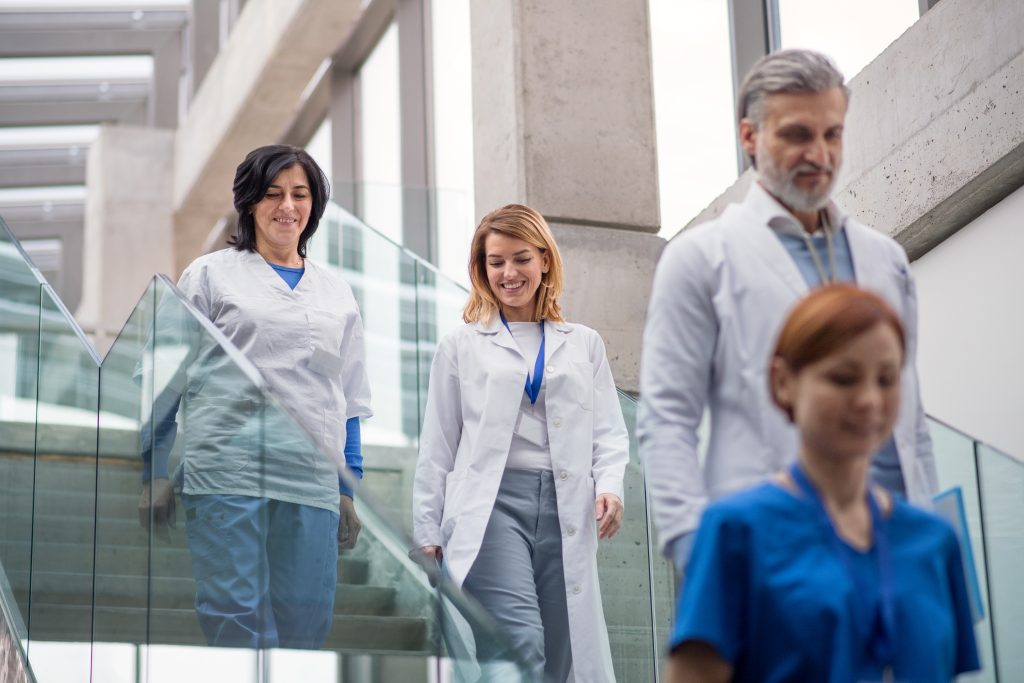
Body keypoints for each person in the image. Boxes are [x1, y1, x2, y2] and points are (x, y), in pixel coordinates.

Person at [638, 49, 937, 572]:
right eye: (798, 135)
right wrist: (694, 548)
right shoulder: (700, 260)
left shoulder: (885, 259)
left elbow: (911, 419)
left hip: (894, 546)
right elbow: (667, 419)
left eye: (833, 134)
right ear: (750, 136)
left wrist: (932, 538)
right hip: (769, 553)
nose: (819, 154)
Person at [667, 284, 980, 682]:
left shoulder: (934, 540)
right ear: (784, 382)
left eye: (886, 379)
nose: (869, 399)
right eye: (844, 378)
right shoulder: (735, 532)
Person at [137, 144, 372, 649]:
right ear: (249, 202)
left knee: (305, 629)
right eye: (273, 194)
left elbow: (348, 399)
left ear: (314, 205)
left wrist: (348, 487)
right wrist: (154, 469)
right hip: (228, 471)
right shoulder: (209, 275)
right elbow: (163, 378)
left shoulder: (337, 294)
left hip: (310, 480)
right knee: (236, 620)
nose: (287, 206)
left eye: (300, 194)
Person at [412, 204, 628, 682]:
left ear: (545, 260)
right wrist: (426, 533)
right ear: (482, 269)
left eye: (521, 258)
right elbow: (439, 444)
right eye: (496, 262)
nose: (508, 273)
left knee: (560, 653)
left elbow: (609, 431)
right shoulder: (461, 346)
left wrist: (609, 486)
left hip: (567, 507)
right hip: (490, 509)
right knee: (519, 644)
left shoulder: (583, 343)